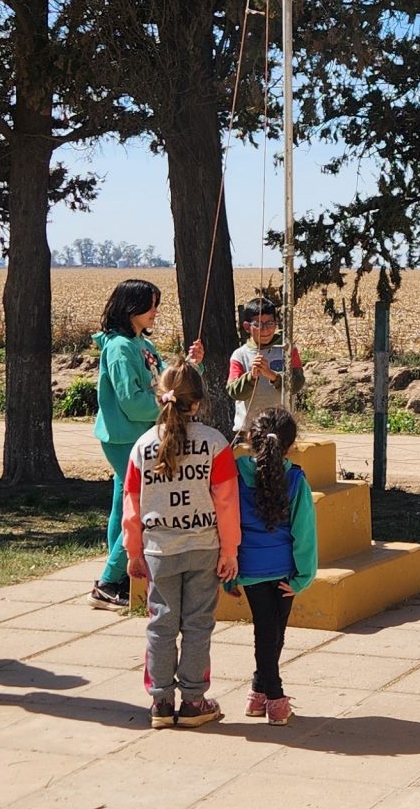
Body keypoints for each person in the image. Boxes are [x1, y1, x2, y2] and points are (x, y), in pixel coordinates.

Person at [122, 360, 239, 728]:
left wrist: (134, 551)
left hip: (159, 551)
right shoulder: (215, 444)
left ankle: (160, 703)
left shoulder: (142, 447)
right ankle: (193, 701)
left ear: (161, 398)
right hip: (203, 548)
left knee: (161, 625)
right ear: (199, 403)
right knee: (198, 624)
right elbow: (226, 503)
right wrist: (230, 551)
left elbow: (131, 504)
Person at [229, 407, 319, 725]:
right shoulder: (294, 479)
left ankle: (257, 693)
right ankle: (276, 697)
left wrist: (229, 573)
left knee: (272, 632)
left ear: (251, 440)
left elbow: (225, 521)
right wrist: (304, 577)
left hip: (249, 568)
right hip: (285, 572)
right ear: (290, 446)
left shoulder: (236, 472)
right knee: (270, 633)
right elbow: (304, 532)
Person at [89, 278, 168, 611]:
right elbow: (132, 402)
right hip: (125, 438)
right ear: (130, 307)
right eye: (150, 305)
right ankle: (108, 582)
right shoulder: (120, 348)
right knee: (141, 508)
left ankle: (121, 576)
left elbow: (163, 378)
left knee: (124, 506)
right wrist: (166, 403)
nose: (155, 311)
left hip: (137, 437)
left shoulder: (142, 345)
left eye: (156, 304)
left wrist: (192, 368)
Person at [223, 295, 301, 431]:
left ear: (276, 323)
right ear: (247, 327)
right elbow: (234, 392)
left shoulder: (288, 350)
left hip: (281, 429)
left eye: (270, 323)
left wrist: (273, 376)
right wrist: (251, 377)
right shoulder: (240, 355)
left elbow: (297, 384)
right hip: (248, 430)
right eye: (258, 324)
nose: (265, 330)